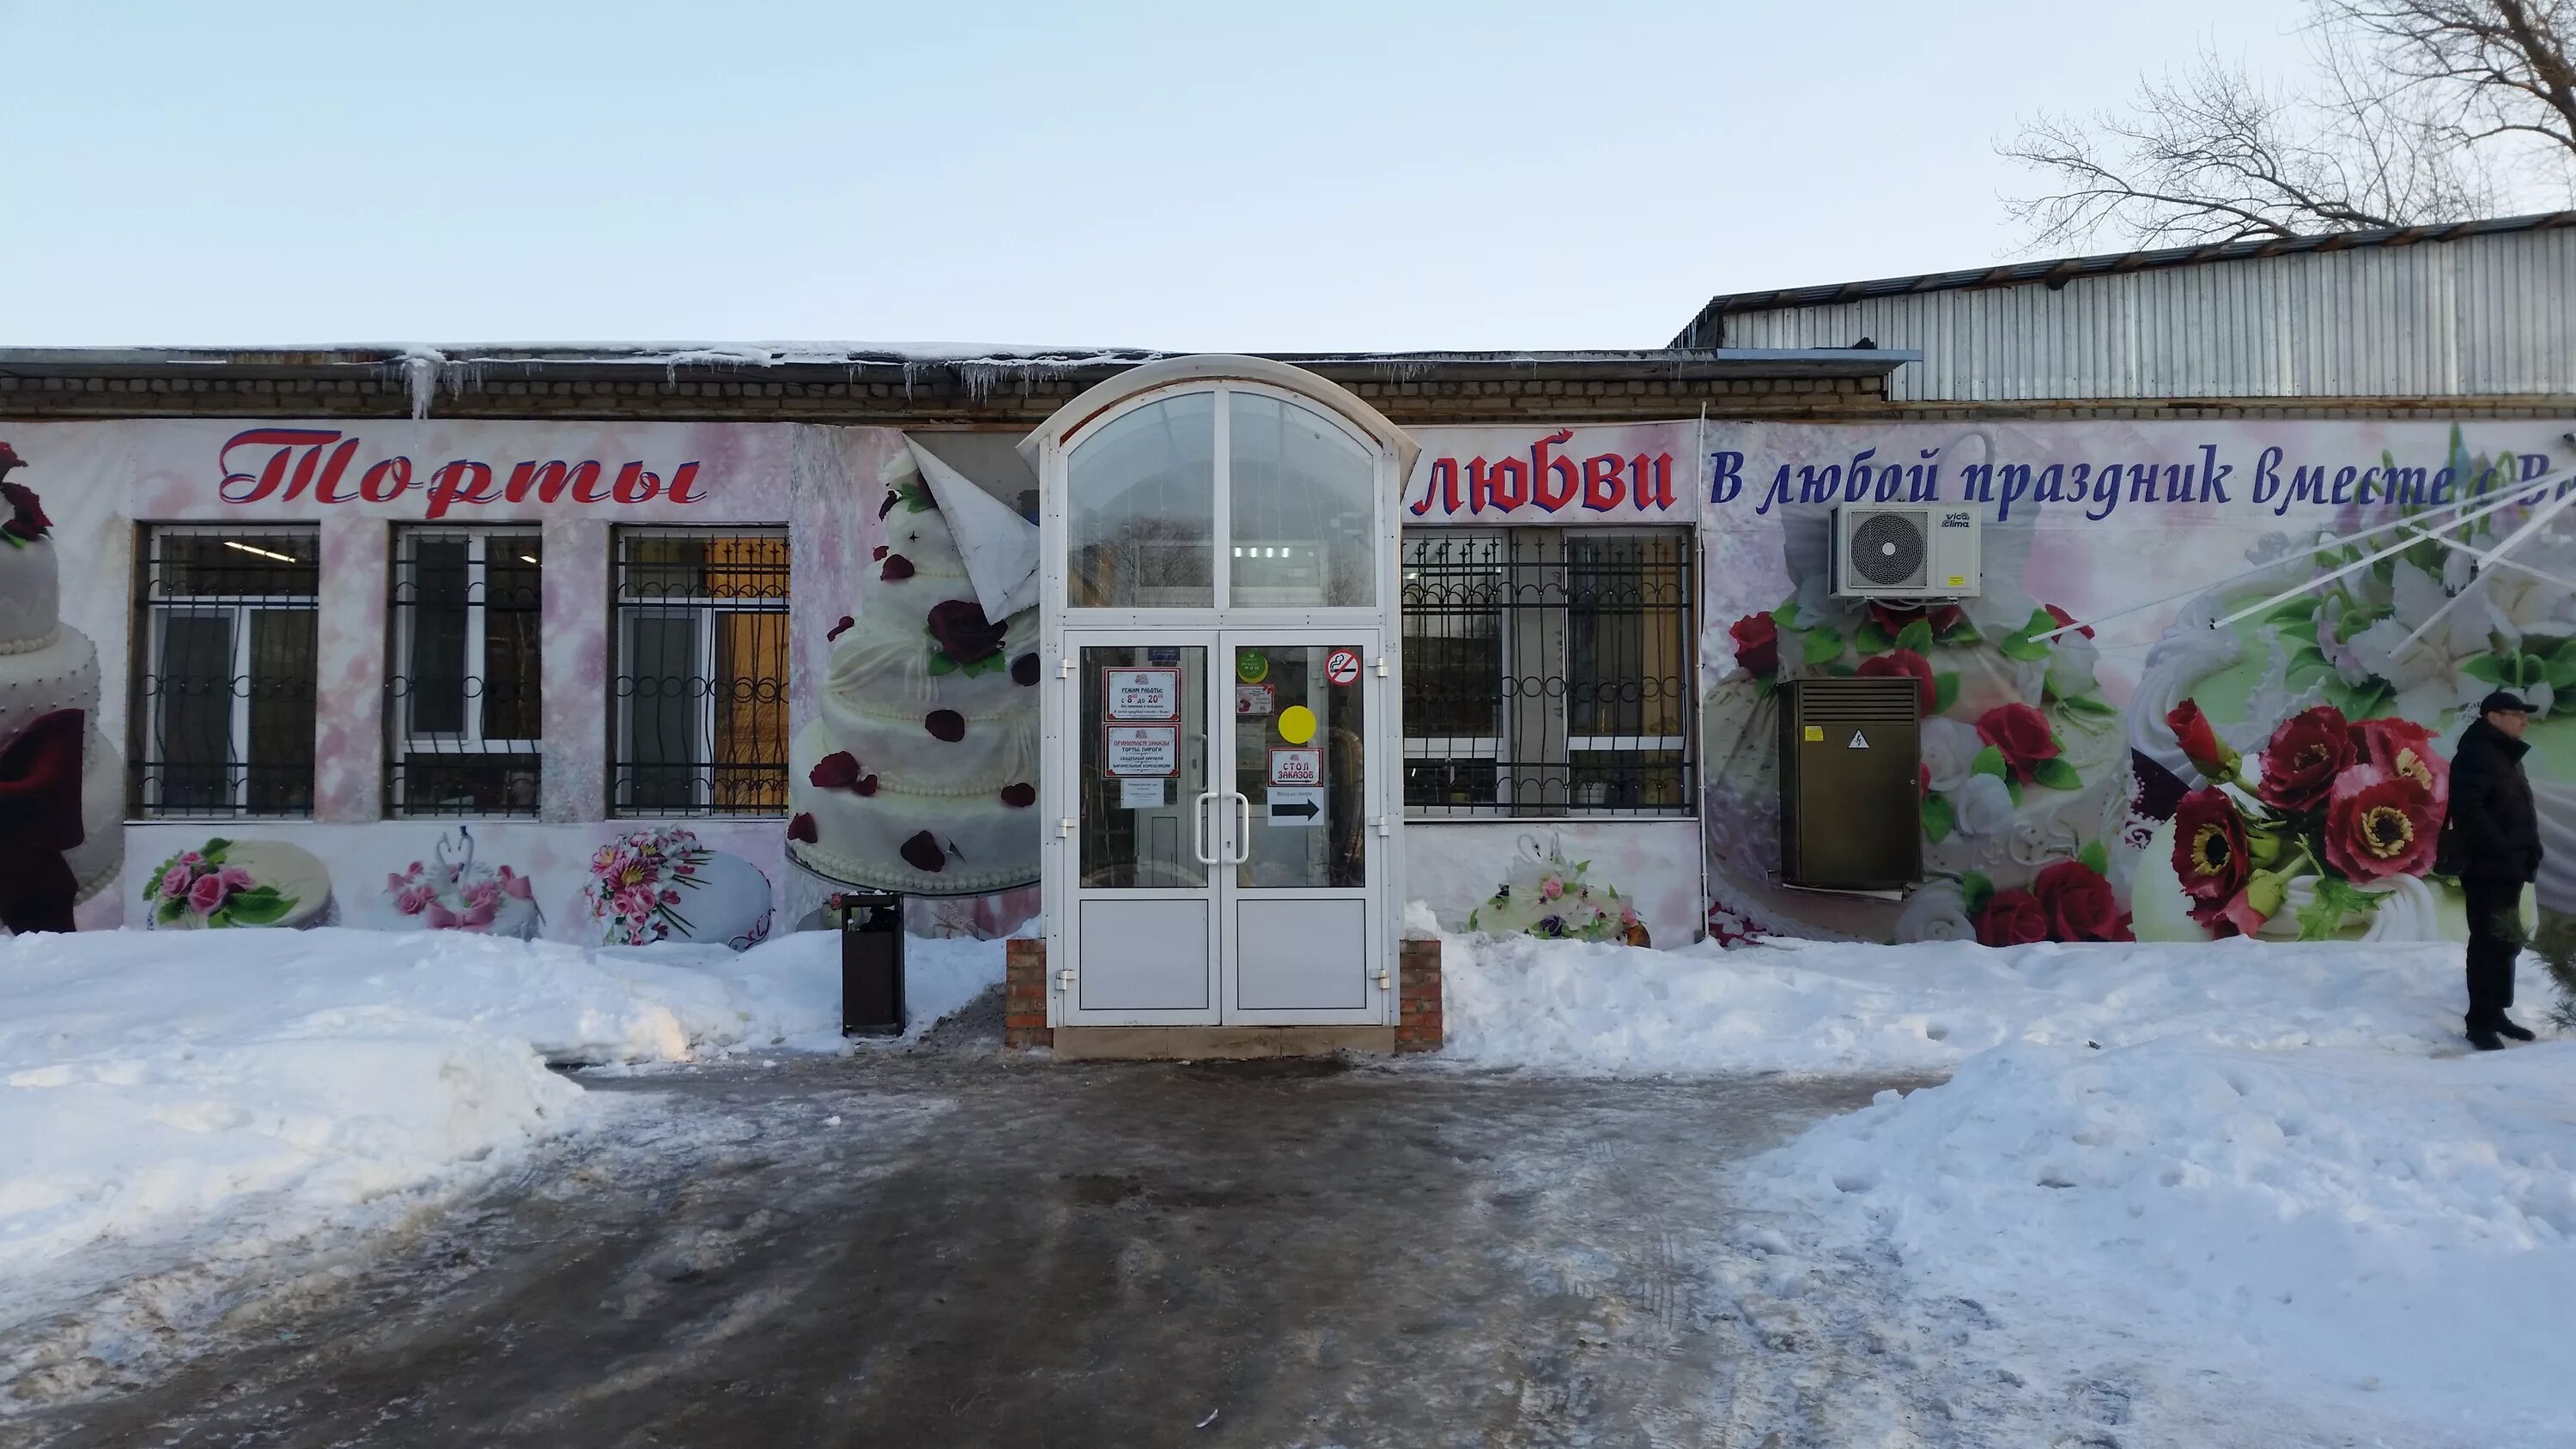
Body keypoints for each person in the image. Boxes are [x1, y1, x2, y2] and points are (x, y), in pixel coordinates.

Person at [2443, 690, 2544, 1050]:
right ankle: (2478, 1022)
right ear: (2493, 717)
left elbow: (2515, 809)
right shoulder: (2476, 753)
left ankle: (2496, 1011)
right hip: (2487, 867)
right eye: (2517, 714)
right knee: (2487, 942)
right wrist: (2501, 847)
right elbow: (2469, 810)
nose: (2524, 720)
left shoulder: (2505, 755)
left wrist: (2529, 850)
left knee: (2505, 942)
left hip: (2509, 866)